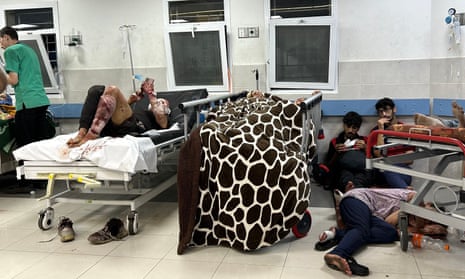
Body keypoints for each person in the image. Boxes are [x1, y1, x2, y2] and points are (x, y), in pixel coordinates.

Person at [320, 187, 416, 276]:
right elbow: (390, 221)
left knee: (391, 233)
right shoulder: (413, 197)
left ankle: (339, 234)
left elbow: (393, 227)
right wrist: (420, 226)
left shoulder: (411, 214)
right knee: (361, 229)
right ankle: (337, 253)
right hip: (357, 199)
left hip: (369, 213)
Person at [67, 78, 171, 147]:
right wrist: (130, 101)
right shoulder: (143, 111)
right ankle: (82, 132)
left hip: (129, 128)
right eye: (159, 101)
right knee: (96, 90)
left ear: (168, 111)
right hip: (108, 125)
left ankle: (90, 136)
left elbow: (161, 117)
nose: (159, 103)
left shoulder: (164, 121)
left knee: (113, 90)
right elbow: (110, 108)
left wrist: (152, 96)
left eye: (163, 103)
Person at [0, 26, 51, 147]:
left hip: (27, 103)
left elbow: (13, 80)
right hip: (40, 101)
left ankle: (26, 166)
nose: (1, 44)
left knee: (26, 145)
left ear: (6, 37)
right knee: (41, 143)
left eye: (0, 40)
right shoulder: (29, 50)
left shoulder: (10, 51)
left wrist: (1, 78)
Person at [322, 111, 371, 193]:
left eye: (354, 128)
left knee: (361, 178)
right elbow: (329, 165)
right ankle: (351, 189)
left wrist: (366, 148)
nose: (350, 130)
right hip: (344, 170)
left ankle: (353, 191)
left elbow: (373, 161)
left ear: (358, 128)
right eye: (348, 126)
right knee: (345, 176)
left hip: (361, 170)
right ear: (344, 125)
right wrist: (337, 153)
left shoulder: (365, 140)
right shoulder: (335, 142)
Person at [371, 97, 413, 188]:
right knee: (387, 168)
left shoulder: (405, 129)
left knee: (391, 169)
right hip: (382, 171)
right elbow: (378, 154)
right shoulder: (375, 132)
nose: (384, 114)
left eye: (386, 110)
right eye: (380, 112)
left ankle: (407, 192)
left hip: (402, 170)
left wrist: (391, 161)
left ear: (394, 109)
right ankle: (408, 193)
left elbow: (410, 159)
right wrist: (381, 130)